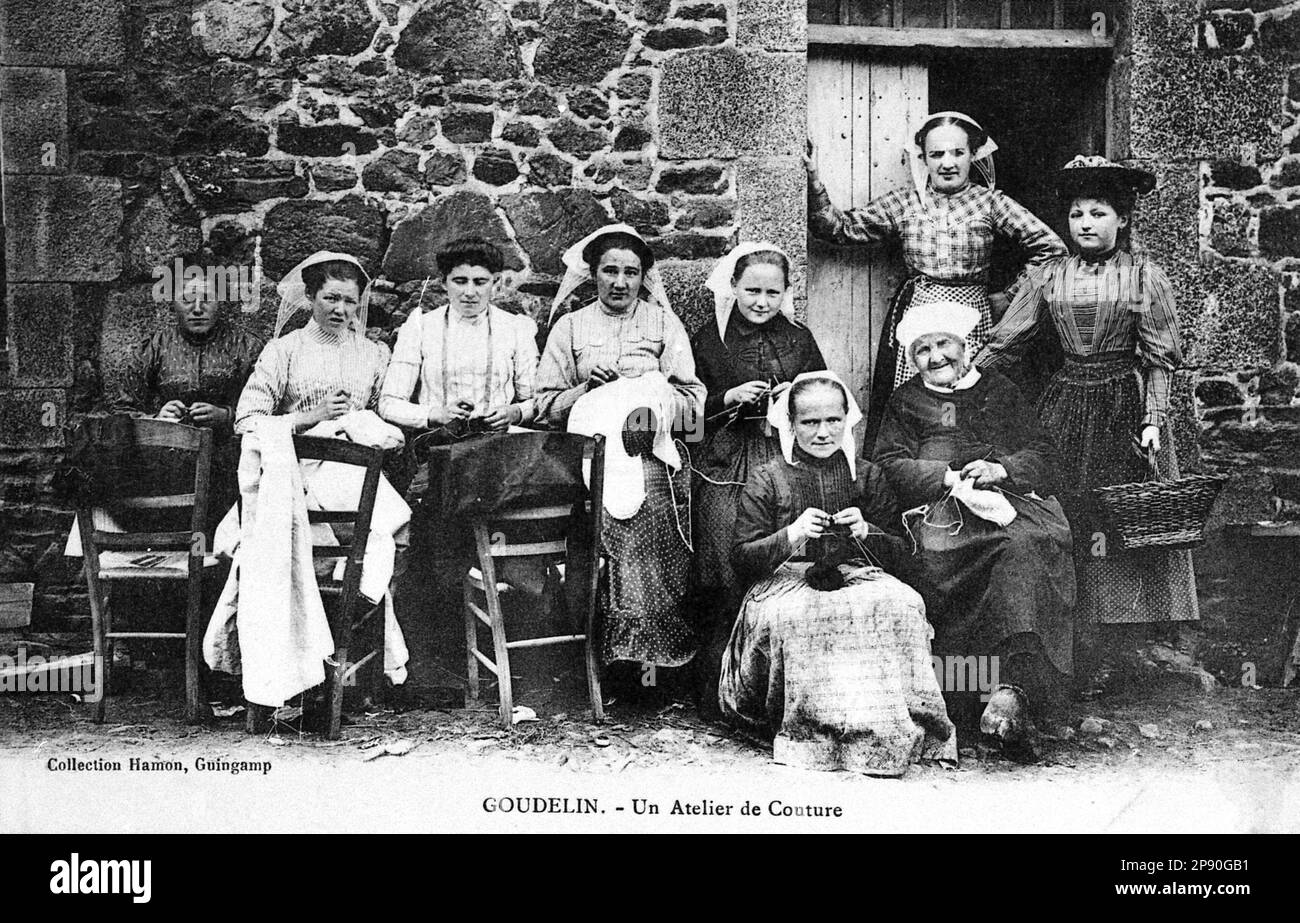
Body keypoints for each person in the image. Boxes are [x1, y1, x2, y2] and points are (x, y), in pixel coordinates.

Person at [975, 155, 1198, 640]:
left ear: (1121, 218)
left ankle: (1122, 639)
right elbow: (1007, 342)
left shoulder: (1143, 277)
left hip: (1123, 404)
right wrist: (964, 386)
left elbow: (1159, 356)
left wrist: (1153, 419)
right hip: (1067, 403)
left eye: (1098, 212)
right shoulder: (1049, 276)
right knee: (1064, 512)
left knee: (1116, 515)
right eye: (1077, 214)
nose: (1086, 224)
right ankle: (1068, 638)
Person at [720, 371, 956, 775]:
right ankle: (813, 732)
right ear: (790, 424)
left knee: (901, 602)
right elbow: (741, 558)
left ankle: (885, 728)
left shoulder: (867, 475)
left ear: (848, 420)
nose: (823, 432)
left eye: (833, 420)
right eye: (810, 422)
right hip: (785, 580)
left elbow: (903, 557)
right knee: (800, 617)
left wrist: (868, 531)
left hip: (858, 573)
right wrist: (791, 534)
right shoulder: (768, 477)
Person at [206, 251, 410, 716]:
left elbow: (385, 413)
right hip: (291, 482)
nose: (340, 310)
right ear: (310, 297)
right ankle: (285, 668)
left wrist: (365, 428)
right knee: (252, 550)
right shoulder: (284, 350)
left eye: (350, 302)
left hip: (350, 484)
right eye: (330, 298)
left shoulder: (374, 354)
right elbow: (247, 419)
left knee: (377, 541)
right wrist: (308, 418)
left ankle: (333, 656)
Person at [874, 302, 1076, 746]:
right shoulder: (907, 401)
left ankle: (1013, 689)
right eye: (922, 350)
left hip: (1008, 502)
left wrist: (1001, 469)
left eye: (943, 344)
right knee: (949, 556)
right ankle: (968, 692)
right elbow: (887, 462)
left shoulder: (999, 390)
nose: (935, 356)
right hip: (941, 513)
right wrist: (943, 477)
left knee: (1024, 545)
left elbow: (1042, 452)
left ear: (965, 347)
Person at [806, 111, 1067, 441]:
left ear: (973, 155)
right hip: (920, 316)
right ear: (923, 158)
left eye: (958, 153)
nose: (948, 163)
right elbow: (839, 228)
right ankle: (922, 480)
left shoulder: (990, 202)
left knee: (969, 403)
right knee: (921, 406)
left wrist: (1010, 295)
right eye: (937, 154)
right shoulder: (906, 202)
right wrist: (813, 180)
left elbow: (1051, 249)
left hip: (973, 318)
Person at [535, 224, 706, 678]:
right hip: (590, 458)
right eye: (609, 270)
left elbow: (693, 408)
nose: (619, 282)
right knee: (611, 529)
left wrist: (656, 400)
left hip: (656, 456)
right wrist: (584, 390)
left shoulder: (664, 324)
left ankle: (660, 663)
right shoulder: (570, 328)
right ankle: (614, 661)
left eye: (631, 272)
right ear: (592, 274)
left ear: (643, 277)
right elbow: (545, 408)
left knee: (655, 518)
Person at [689, 243, 826, 706]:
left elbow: (825, 397)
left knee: (786, 556)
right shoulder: (709, 340)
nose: (762, 302)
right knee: (725, 558)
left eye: (772, 292)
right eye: (752, 291)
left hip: (786, 458)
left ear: (786, 292)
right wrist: (726, 398)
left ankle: (779, 689)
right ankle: (719, 688)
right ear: (734, 288)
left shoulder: (800, 339)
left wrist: (795, 398)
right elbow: (685, 414)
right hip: (726, 460)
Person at [113, 267, 263, 520]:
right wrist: (157, 419)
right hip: (168, 461)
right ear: (173, 303)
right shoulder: (155, 348)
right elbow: (121, 410)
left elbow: (270, 412)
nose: (197, 308)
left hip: (230, 460)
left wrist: (226, 416)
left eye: (207, 299)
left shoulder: (248, 347)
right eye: (186, 299)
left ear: (222, 302)